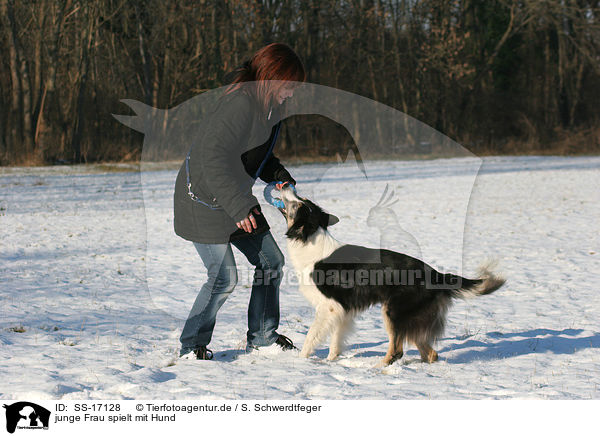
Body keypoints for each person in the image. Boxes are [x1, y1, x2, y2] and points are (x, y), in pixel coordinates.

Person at [173, 43, 305, 360]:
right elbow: (210, 157)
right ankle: (191, 346)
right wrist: (239, 206)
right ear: (271, 79)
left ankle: (261, 337)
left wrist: (279, 174)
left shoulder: (269, 110)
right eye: (288, 86)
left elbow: (256, 154)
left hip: (234, 198)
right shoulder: (239, 105)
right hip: (203, 201)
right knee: (223, 278)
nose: (290, 94)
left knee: (271, 261)